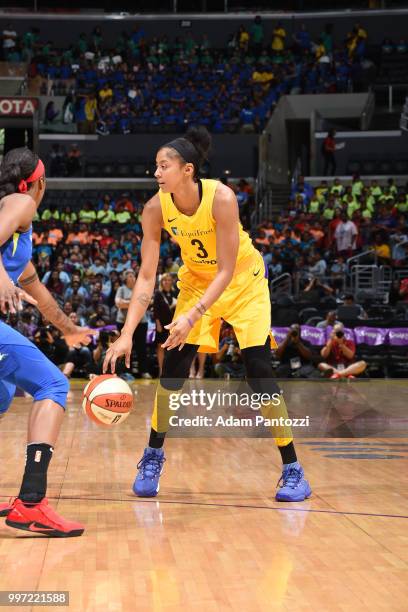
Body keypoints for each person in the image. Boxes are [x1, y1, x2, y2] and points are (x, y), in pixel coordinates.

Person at [103, 126, 311, 503]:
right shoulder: (154, 208)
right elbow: (147, 276)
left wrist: (192, 315)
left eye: (163, 166)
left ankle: (292, 468)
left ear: (188, 170)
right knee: (173, 370)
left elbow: (227, 270)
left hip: (243, 284)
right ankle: (152, 456)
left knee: (259, 371)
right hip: (198, 284)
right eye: (155, 166)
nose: (156, 173)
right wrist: (127, 332)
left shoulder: (222, 198)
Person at [0, 147, 95, 536]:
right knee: (53, 384)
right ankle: (32, 503)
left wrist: (67, 328)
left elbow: (35, 287)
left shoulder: (19, 231)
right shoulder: (20, 202)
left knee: (2, 396)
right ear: (40, 182)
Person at [115, 270, 151, 379]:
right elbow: (118, 303)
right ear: (125, 278)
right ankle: (127, 372)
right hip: (123, 323)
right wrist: (134, 302)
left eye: (133, 275)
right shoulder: (121, 289)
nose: (132, 277)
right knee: (126, 348)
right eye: (130, 276)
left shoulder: (140, 289)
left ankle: (144, 371)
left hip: (141, 323)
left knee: (141, 348)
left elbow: (145, 304)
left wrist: (127, 302)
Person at [153, 273, 178, 375]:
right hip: (161, 325)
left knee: (173, 346)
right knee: (161, 346)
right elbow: (155, 310)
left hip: (173, 324)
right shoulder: (158, 293)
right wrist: (157, 323)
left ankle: (172, 370)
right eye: (164, 280)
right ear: (161, 282)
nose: (167, 282)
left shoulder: (175, 293)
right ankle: (161, 370)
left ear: (171, 281)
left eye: (169, 280)